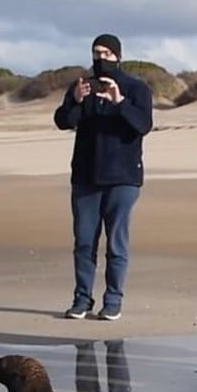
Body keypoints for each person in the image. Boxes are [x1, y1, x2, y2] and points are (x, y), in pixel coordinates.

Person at [53, 33, 153, 321]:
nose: (101, 59)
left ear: (118, 56)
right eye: (97, 53)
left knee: (116, 244)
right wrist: (76, 100)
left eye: (107, 54)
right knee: (84, 242)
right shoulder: (82, 86)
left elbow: (143, 125)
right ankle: (82, 299)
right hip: (86, 177)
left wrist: (119, 102)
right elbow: (63, 121)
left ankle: (113, 300)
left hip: (123, 178)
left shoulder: (136, 89)